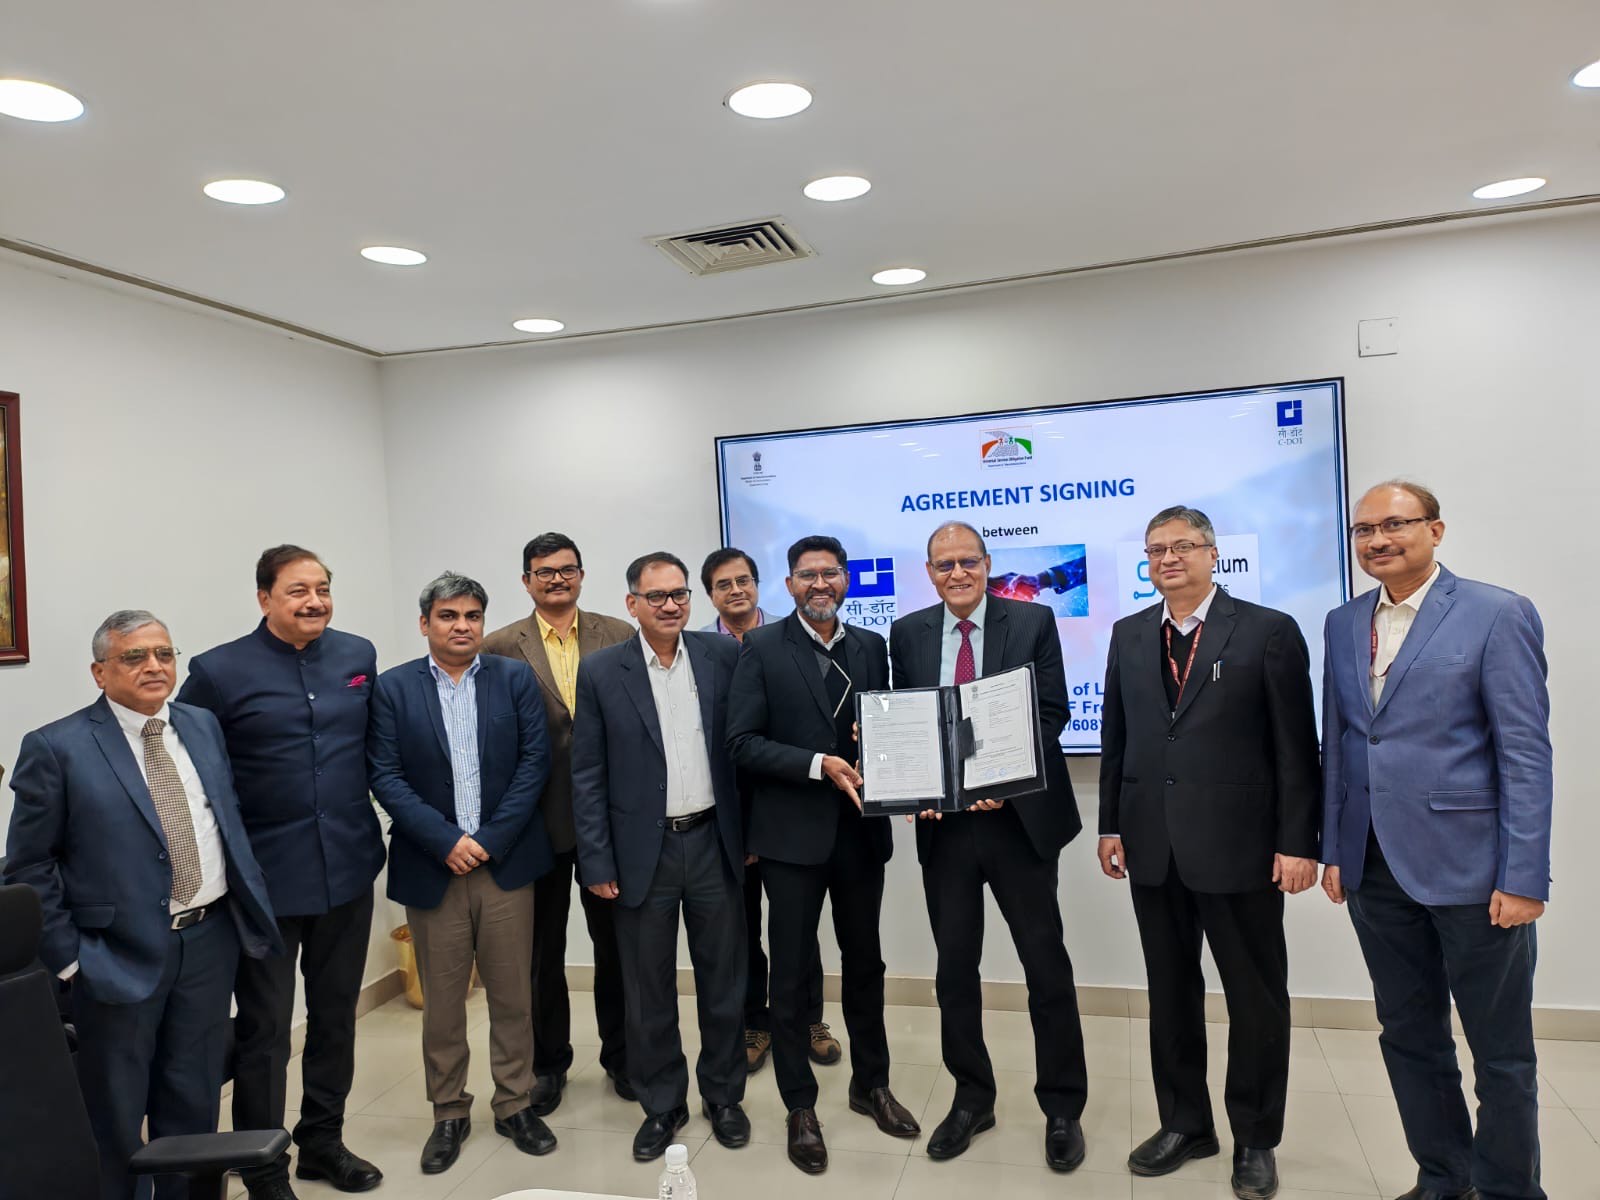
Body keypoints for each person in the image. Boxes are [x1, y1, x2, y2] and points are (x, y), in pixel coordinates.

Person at [1321, 481, 1552, 1200]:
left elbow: (1525, 754)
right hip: (1373, 866)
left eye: (1395, 524)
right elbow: (1342, 743)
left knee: (1500, 1053)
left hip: (1474, 872)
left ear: (1436, 530)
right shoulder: (1341, 621)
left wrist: (1524, 876)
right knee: (1409, 1037)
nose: (1378, 540)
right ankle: (1444, 1179)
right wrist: (1335, 849)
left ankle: (1509, 1189)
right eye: (1364, 530)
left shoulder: (1496, 612)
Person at [5, 610, 280, 1200]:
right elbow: (28, 864)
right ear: (99, 672)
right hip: (114, 956)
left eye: (163, 653)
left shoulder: (201, 725)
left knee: (195, 1100)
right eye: (134, 656)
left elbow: (223, 821)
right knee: (115, 1116)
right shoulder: (57, 747)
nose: (153, 666)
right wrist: (72, 960)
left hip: (208, 943)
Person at [1099, 505, 1320, 1200]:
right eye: (1156, 550)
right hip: (1152, 846)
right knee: (1169, 995)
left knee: (1255, 1000)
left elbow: (1296, 748)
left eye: (1183, 546)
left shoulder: (1266, 630)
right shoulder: (1129, 633)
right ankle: (1185, 1123)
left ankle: (1256, 1137)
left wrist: (1297, 842)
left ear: (1213, 553)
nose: (1168, 559)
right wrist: (1110, 826)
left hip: (1241, 849)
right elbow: (1117, 740)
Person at [178, 545, 385, 1198]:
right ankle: (262, 1163)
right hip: (265, 883)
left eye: (322, 588)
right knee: (266, 1030)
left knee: (336, 1017)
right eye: (298, 590)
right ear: (264, 597)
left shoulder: (358, 656)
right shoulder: (216, 671)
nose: (314, 601)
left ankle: (322, 1141)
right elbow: (188, 770)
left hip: (347, 868)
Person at [888, 521, 1090, 1171]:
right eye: (944, 564)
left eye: (967, 561)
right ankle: (973, 1098)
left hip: (1019, 823)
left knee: (1045, 967)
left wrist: (1000, 778)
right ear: (929, 573)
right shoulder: (907, 633)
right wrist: (913, 779)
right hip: (945, 828)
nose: (957, 573)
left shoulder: (1031, 621)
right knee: (954, 972)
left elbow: (1051, 713)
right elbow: (908, 721)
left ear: (987, 564)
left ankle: (1062, 1107)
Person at [727, 535, 920, 1174]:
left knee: (866, 965)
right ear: (789, 585)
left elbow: (886, 731)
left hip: (860, 835)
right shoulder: (760, 647)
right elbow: (742, 743)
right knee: (788, 976)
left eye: (830, 574)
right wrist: (817, 763)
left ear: (845, 581)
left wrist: (882, 748)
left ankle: (872, 1085)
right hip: (791, 841)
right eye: (807, 575)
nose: (819, 584)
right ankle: (800, 1106)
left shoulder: (871, 645)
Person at [367, 572, 556, 1175]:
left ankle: (515, 1103)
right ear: (425, 623)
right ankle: (449, 1110)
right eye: (448, 616)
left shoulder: (513, 678)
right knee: (444, 1002)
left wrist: (490, 840)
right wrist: (445, 840)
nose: (462, 626)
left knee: (513, 995)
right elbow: (385, 774)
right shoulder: (394, 688)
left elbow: (535, 762)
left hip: (505, 865)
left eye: (472, 615)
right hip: (433, 867)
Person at [571, 552, 751, 1161]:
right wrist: (596, 862)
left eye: (679, 594)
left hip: (713, 843)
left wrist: (749, 837)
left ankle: (723, 1097)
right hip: (639, 853)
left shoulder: (722, 655)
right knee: (647, 989)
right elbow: (587, 773)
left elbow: (742, 751)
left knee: (723, 981)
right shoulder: (602, 671)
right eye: (656, 597)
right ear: (633, 604)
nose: (671, 605)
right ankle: (662, 1104)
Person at [481, 531, 635, 1113]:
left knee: (617, 948)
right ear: (526, 581)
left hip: (609, 821)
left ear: (582, 576)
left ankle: (623, 1056)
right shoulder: (499, 646)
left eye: (567, 569)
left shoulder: (618, 634)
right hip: (535, 822)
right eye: (544, 571)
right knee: (540, 954)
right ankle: (548, 1065)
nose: (556, 579)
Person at [699, 546, 835, 1075]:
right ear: (710, 595)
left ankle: (809, 1019)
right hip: (726, 813)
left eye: (744, 581)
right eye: (723, 584)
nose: (736, 591)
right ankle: (755, 1021)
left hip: (790, 810)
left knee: (798, 925)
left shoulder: (792, 636)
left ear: (760, 585)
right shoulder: (698, 650)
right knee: (743, 927)